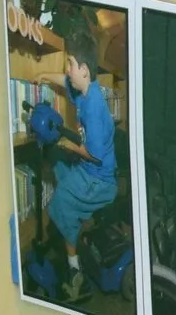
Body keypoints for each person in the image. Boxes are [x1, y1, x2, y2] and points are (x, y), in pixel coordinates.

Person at [45, 37, 122, 301]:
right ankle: (76, 222)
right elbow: (64, 80)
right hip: (93, 172)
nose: (67, 69)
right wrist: (43, 75)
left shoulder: (93, 106)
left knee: (59, 204)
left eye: (70, 64)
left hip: (99, 180)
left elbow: (96, 157)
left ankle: (76, 274)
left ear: (85, 70)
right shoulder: (87, 88)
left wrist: (71, 146)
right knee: (58, 164)